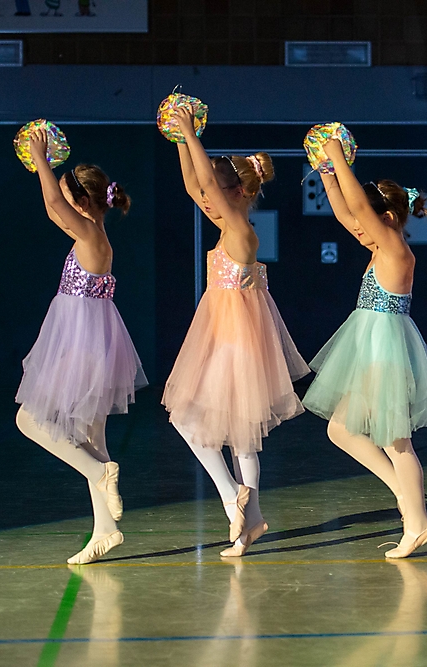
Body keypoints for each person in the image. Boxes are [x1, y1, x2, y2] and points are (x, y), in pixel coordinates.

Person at [163, 104, 309, 558]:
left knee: (196, 422)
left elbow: (205, 185)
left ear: (240, 193)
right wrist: (179, 139)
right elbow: (195, 185)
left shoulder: (242, 232)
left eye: (219, 192)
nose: (208, 200)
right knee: (233, 437)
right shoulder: (227, 224)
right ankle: (251, 521)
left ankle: (234, 500)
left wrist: (191, 133)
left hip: (236, 343)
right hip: (223, 339)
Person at [16, 130, 146, 564]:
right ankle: (105, 530)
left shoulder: (91, 237)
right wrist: (46, 169)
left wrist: (41, 158)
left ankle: (99, 472)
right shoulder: (92, 236)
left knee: (28, 420)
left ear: (84, 203)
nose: (65, 207)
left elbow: (55, 206)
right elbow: (55, 207)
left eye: (71, 198)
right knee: (91, 437)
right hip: (94, 347)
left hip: (81, 348)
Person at [303, 138, 427, 558]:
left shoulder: (395, 249)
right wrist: (327, 172)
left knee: (397, 442)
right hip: (370, 349)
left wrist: (338, 157)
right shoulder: (380, 247)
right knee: (340, 429)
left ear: (389, 219)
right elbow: (348, 213)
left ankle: (417, 522)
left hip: (385, 352)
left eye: (368, 223)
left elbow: (358, 209)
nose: (358, 229)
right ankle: (404, 494)